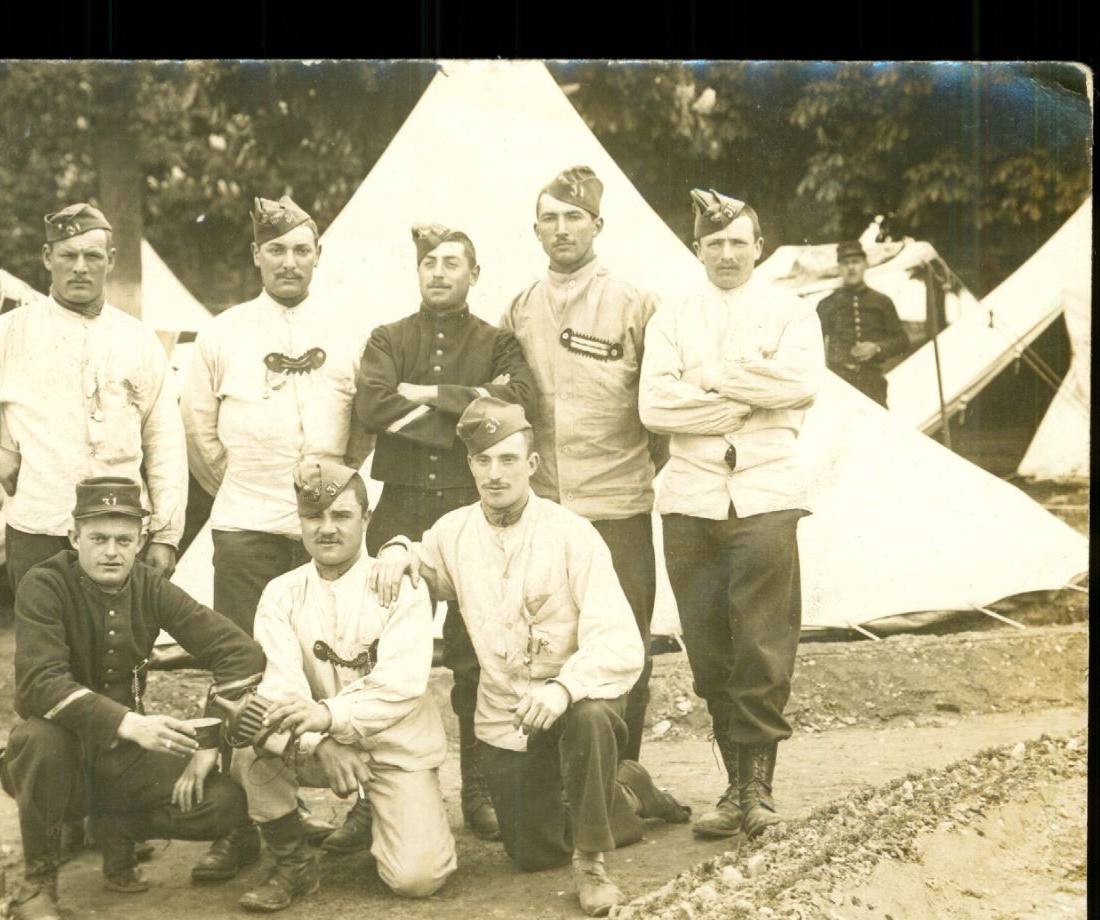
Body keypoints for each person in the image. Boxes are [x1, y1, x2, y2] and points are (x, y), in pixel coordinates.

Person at [370, 400, 690, 917]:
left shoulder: (572, 534)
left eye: (508, 460)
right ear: (469, 466)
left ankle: (592, 863)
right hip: (508, 716)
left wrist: (564, 688)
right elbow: (420, 560)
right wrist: (396, 549)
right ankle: (629, 792)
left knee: (588, 718)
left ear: (532, 465)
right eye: (483, 461)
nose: (495, 475)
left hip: (572, 702)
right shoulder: (454, 532)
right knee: (534, 853)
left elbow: (621, 641)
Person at [0, 477, 266, 920]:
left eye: (124, 540)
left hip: (123, 761)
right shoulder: (43, 585)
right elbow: (41, 684)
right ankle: (37, 884)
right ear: (73, 537)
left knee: (225, 803)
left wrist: (207, 742)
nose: (111, 552)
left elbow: (240, 653)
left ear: (141, 541)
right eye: (98, 538)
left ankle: (114, 826)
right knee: (39, 738)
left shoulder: (149, 585)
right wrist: (128, 723)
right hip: (59, 756)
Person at [639, 188, 824, 841]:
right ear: (696, 249)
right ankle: (732, 784)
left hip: (766, 493)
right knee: (710, 649)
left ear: (758, 246)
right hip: (689, 497)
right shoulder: (671, 316)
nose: (725, 253)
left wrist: (710, 376)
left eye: (736, 241)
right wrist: (738, 395)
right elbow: (654, 407)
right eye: (712, 243)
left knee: (762, 644)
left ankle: (758, 789)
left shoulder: (790, 311)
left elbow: (800, 383)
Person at [351, 222, 534, 847]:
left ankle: (479, 787)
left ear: (474, 274)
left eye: (453, 262)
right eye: (430, 262)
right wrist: (468, 412)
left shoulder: (498, 341)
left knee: (475, 651)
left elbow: (517, 404)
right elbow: (372, 409)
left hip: (468, 512)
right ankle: (367, 795)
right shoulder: (387, 337)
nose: (439, 272)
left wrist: (426, 393)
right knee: (373, 648)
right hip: (398, 508)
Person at [0, 203, 188, 593]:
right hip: (39, 529)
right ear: (48, 258)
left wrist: (165, 533)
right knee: (43, 652)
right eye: (68, 255)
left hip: (121, 533)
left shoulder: (138, 339)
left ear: (109, 261)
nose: (80, 267)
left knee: (117, 651)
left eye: (92, 256)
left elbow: (165, 440)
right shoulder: (8, 333)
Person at [229, 460, 459, 911]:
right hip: (319, 746)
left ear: (366, 519)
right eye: (314, 517)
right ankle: (292, 863)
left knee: (418, 877)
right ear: (300, 523)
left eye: (341, 516)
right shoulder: (281, 592)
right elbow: (280, 688)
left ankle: (380, 808)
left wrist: (330, 715)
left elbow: (402, 683)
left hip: (394, 749)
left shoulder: (401, 586)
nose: (327, 529)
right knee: (248, 747)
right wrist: (320, 743)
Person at [502, 165, 664, 765]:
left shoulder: (636, 302)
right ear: (535, 229)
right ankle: (556, 782)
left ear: (598, 224)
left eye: (574, 217)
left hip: (617, 505)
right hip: (544, 511)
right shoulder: (518, 307)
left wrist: (628, 470)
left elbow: (659, 411)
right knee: (547, 644)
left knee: (624, 642)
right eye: (550, 218)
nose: (562, 228)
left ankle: (624, 774)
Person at [181, 195, 373, 640]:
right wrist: (241, 481)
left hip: (326, 525)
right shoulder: (221, 333)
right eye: (276, 250)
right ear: (256, 255)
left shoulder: (348, 333)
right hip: (246, 524)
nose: (289, 263)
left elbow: (364, 424)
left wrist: (335, 480)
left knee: (322, 651)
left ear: (318, 256)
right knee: (245, 653)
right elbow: (197, 429)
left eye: (301, 250)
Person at [815, 239, 909, 407]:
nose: (851, 267)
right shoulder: (826, 304)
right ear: (839, 268)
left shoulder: (882, 301)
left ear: (865, 264)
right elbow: (813, 346)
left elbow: (902, 341)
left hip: (872, 382)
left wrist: (877, 348)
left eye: (856, 262)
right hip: (838, 384)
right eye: (845, 263)